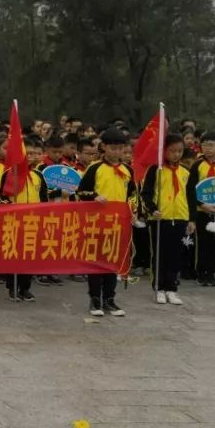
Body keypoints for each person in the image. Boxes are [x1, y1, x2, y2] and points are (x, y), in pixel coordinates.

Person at [76, 128, 133, 316]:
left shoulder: (127, 170)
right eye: (113, 148)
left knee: (112, 262)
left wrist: (133, 208)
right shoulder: (95, 168)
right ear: (104, 147)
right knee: (95, 262)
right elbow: (81, 192)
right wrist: (95, 196)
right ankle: (95, 299)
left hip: (118, 224)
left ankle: (110, 298)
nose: (116, 152)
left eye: (120, 149)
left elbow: (133, 195)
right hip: (96, 223)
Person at [141, 134, 190, 305]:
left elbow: (190, 196)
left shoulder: (185, 172)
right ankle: (159, 288)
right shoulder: (156, 169)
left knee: (176, 255)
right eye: (172, 151)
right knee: (160, 255)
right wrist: (152, 209)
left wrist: (191, 220)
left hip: (181, 218)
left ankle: (172, 288)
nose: (176, 154)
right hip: (160, 219)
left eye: (179, 151)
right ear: (164, 151)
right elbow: (145, 193)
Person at [0, 137, 49, 301]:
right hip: (13, 221)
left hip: (33, 222)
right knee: (14, 254)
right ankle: (13, 287)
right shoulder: (10, 173)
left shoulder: (38, 176)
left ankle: (25, 287)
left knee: (29, 256)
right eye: (30, 153)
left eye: (36, 153)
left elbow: (44, 201)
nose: (33, 156)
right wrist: (9, 207)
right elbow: (1, 197)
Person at [186, 131, 215, 287]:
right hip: (202, 211)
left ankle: (211, 273)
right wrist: (201, 205)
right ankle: (201, 272)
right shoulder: (197, 165)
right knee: (202, 243)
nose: (207, 148)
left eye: (211, 145)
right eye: (205, 144)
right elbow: (191, 190)